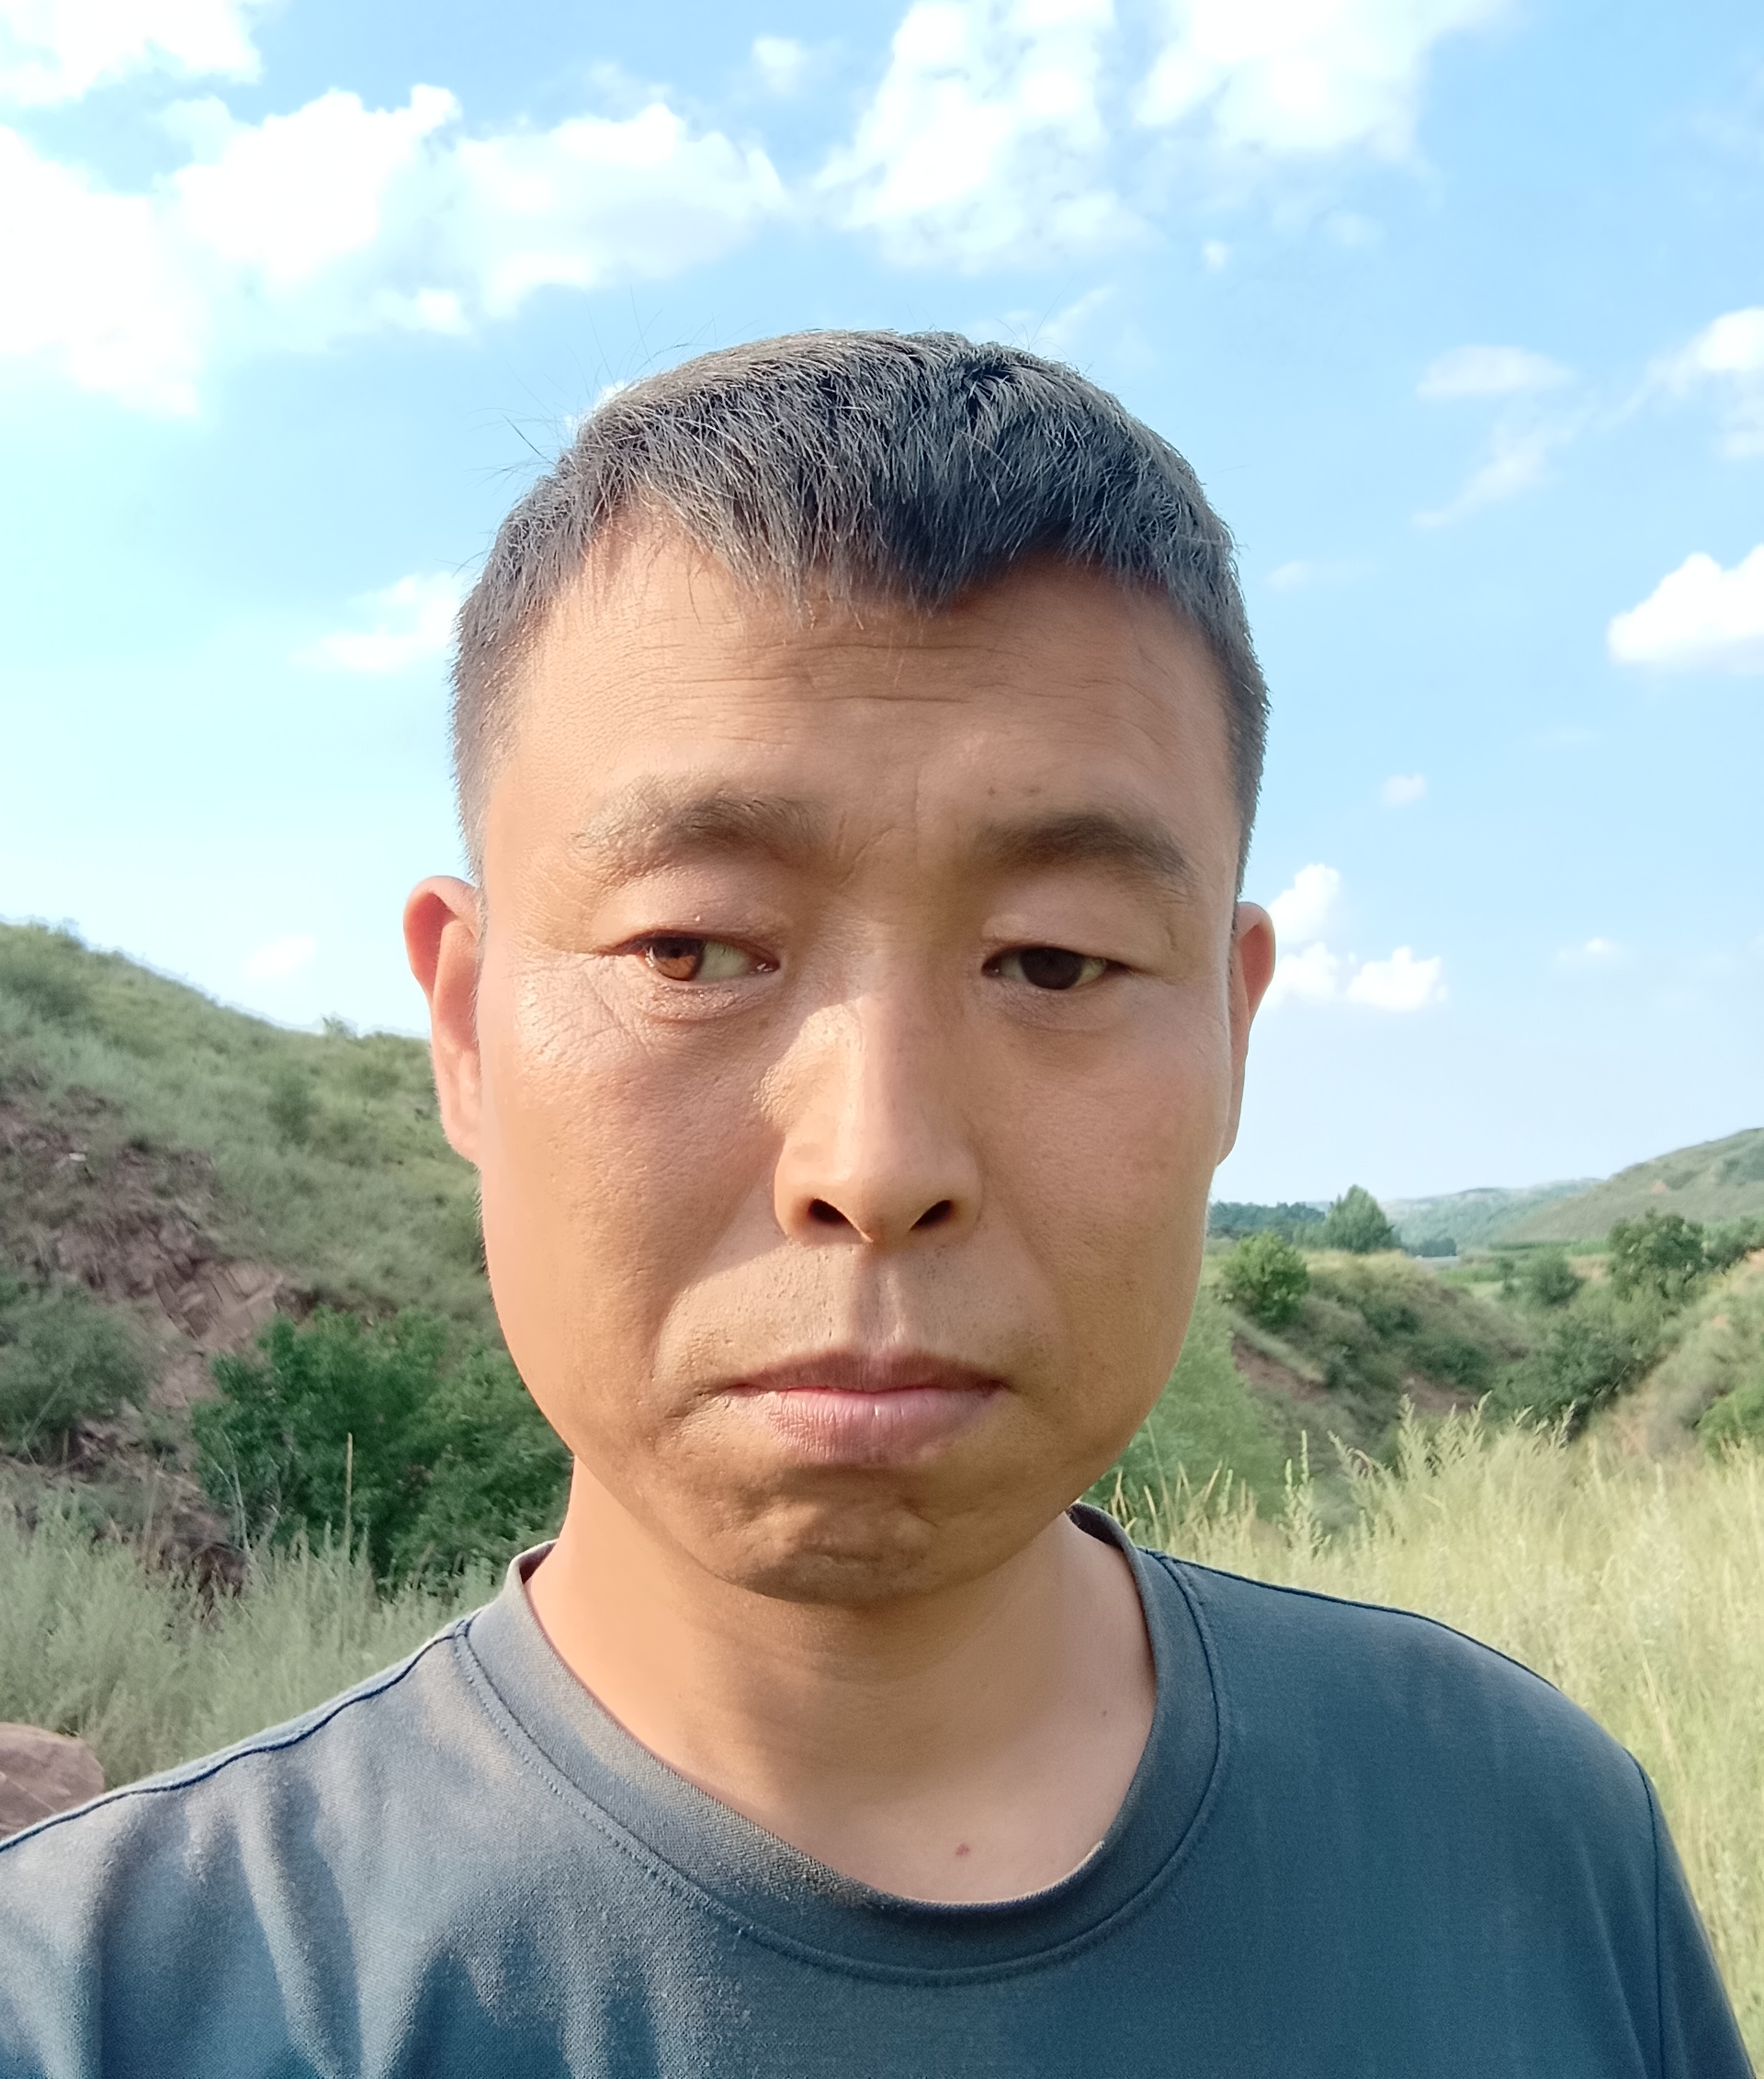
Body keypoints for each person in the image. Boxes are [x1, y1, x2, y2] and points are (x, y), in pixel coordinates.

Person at [0, 333, 1748, 2077]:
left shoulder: (1525, 1841)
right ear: (465, 1029)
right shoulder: (100, 2008)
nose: (877, 1160)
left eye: (1053, 961)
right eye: (692, 950)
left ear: (1232, 1034)